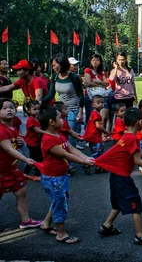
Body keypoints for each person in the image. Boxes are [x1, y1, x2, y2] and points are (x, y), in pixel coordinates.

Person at [94, 107, 142, 246]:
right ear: (140, 122)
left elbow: (139, 153)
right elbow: (137, 160)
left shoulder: (128, 136)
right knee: (135, 204)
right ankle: (140, 235)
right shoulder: (132, 138)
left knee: (118, 202)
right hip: (122, 178)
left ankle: (107, 226)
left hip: (116, 176)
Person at [38, 107, 94, 244]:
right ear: (51, 122)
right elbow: (65, 154)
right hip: (53, 178)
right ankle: (61, 233)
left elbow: (71, 148)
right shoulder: (48, 140)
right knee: (60, 204)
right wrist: (83, 161)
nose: (63, 120)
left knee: (59, 200)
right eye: (59, 118)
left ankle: (46, 223)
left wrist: (87, 158)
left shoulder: (59, 134)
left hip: (61, 176)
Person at [0, 98, 43, 229]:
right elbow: (7, 148)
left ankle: (25, 220)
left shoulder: (12, 127)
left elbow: (13, 145)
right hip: (1, 170)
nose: (9, 110)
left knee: (21, 191)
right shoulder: (1, 130)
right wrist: (26, 159)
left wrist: (20, 143)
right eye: (4, 108)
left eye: (11, 108)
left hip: (11, 168)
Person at [42, 54, 85, 147]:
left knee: (71, 137)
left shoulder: (74, 77)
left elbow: (81, 95)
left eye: (54, 65)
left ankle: (71, 159)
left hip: (73, 109)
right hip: (60, 110)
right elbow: (51, 94)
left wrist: (80, 113)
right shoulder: (55, 77)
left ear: (61, 64)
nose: (53, 67)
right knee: (61, 135)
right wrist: (40, 102)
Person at [53, 101, 86, 175]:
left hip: (60, 143)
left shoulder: (57, 123)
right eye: (65, 109)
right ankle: (69, 166)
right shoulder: (63, 122)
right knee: (66, 155)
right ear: (59, 113)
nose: (67, 110)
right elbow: (71, 132)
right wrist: (79, 138)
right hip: (62, 143)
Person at [83, 54, 110, 127]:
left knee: (99, 117)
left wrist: (95, 81)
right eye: (93, 60)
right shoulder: (88, 70)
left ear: (100, 62)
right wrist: (101, 85)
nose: (95, 62)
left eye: (97, 60)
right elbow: (88, 83)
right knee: (90, 117)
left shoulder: (101, 72)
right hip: (90, 97)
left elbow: (107, 83)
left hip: (100, 97)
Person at [82, 95, 111, 162]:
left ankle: (98, 166)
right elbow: (98, 126)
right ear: (93, 104)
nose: (101, 104)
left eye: (102, 102)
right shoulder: (95, 114)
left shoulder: (94, 113)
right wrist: (106, 132)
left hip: (93, 137)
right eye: (98, 103)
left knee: (97, 152)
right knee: (98, 152)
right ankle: (86, 161)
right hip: (95, 137)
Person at [23, 101, 43, 180]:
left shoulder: (37, 118)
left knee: (35, 158)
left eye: (38, 109)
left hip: (36, 142)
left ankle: (26, 173)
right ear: (28, 110)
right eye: (34, 109)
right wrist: (48, 132)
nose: (37, 111)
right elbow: (37, 130)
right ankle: (36, 175)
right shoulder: (30, 120)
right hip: (32, 143)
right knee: (37, 158)